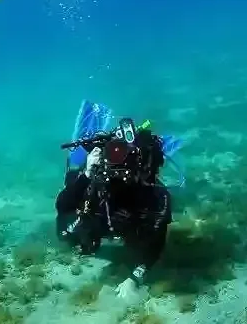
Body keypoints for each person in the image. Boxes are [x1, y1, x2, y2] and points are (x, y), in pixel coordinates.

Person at [55, 118, 172, 299]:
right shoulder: (96, 178)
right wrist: (87, 174)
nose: (118, 171)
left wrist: (135, 277)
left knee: (139, 242)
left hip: (127, 224)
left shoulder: (154, 195)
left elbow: (157, 242)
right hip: (100, 218)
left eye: (126, 161)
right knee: (67, 235)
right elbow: (63, 206)